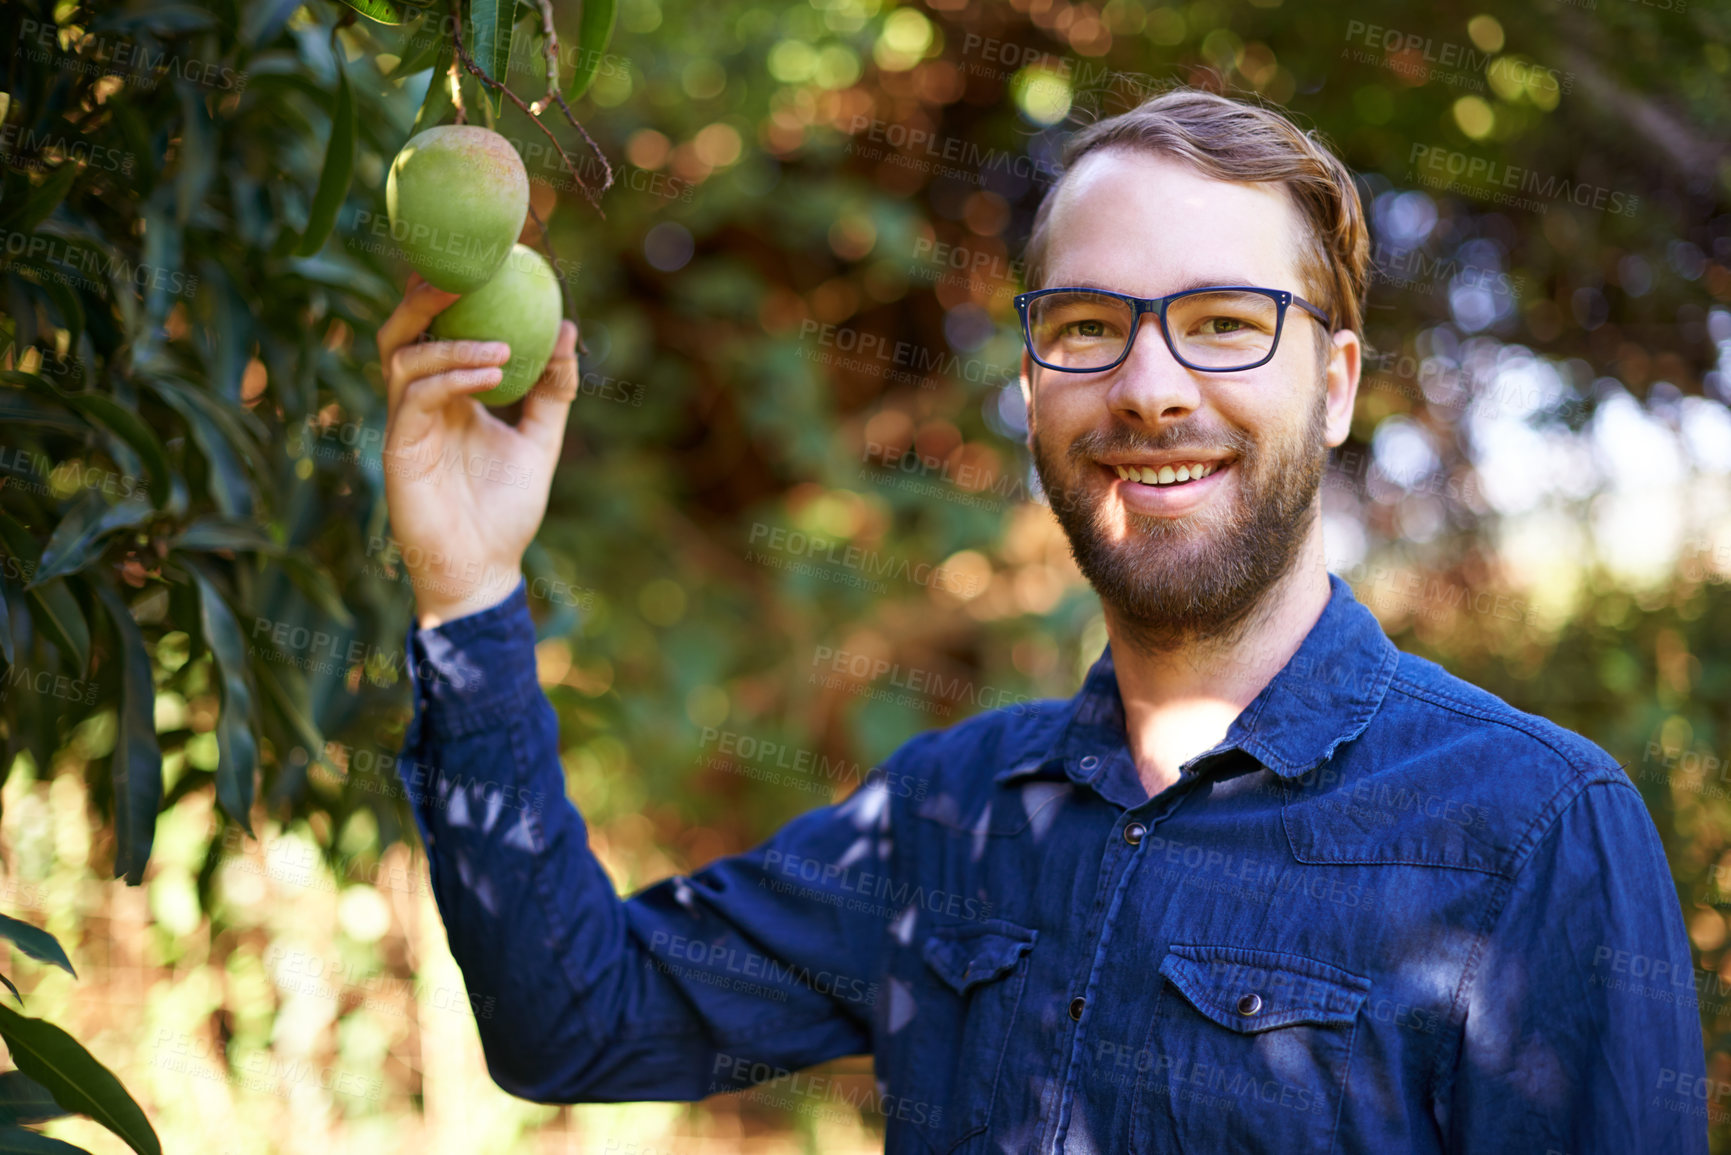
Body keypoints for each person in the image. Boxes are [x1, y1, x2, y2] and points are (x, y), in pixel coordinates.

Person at [374, 86, 1709, 1153]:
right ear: (1032, 382)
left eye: (1226, 323)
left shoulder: (1532, 831)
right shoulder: (945, 818)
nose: (1147, 386)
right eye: (1086, 326)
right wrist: (468, 591)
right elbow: (573, 1023)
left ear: (1339, 382)